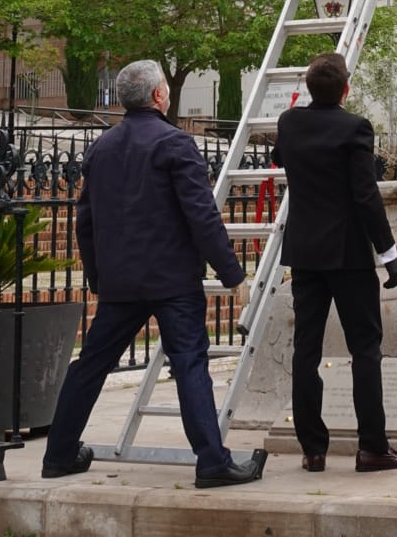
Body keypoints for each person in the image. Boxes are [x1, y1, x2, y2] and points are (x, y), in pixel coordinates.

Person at [41, 59, 267, 490]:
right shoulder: (176, 144)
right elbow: (202, 217)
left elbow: (84, 221)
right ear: (160, 96)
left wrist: (97, 276)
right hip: (172, 281)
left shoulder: (101, 148)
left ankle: (58, 452)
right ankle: (212, 461)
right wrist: (233, 275)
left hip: (120, 281)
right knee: (190, 364)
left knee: (90, 365)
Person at [275, 51, 397, 473]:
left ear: (310, 89)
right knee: (365, 351)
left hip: (305, 255)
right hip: (349, 256)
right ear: (346, 90)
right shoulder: (355, 128)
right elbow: (366, 195)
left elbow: (279, 157)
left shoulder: (289, 123)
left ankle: (313, 449)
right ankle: (372, 447)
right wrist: (388, 253)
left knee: (306, 351)